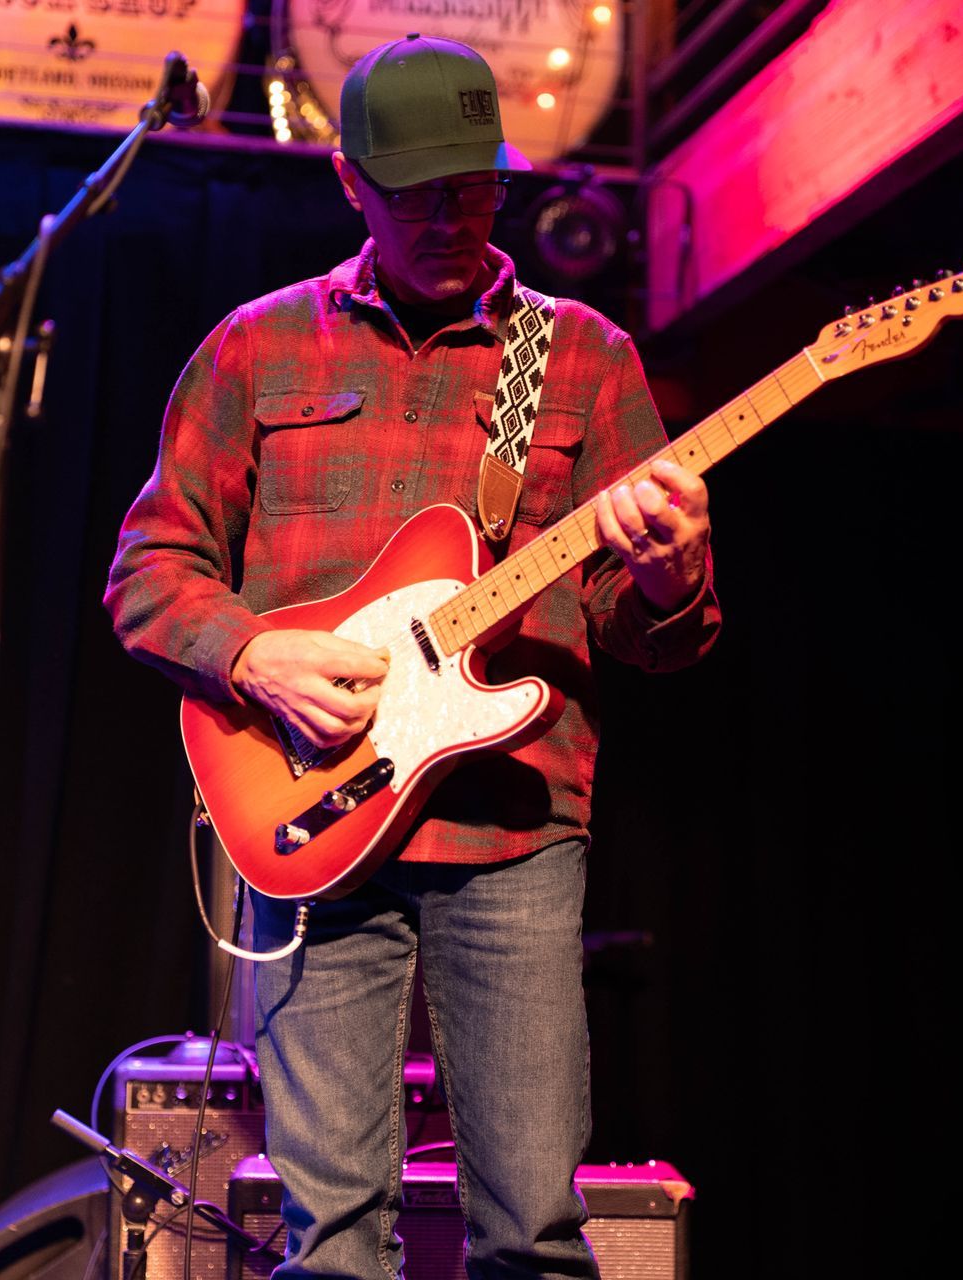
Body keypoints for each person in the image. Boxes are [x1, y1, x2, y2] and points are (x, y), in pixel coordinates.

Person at [105, 32, 719, 1279]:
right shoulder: (256, 348)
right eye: (417, 192)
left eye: (475, 189)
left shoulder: (585, 357)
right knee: (328, 1241)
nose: (452, 216)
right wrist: (254, 655)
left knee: (537, 1236)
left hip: (511, 829)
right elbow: (148, 573)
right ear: (348, 181)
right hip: (310, 824)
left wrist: (668, 571)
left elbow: (652, 633)